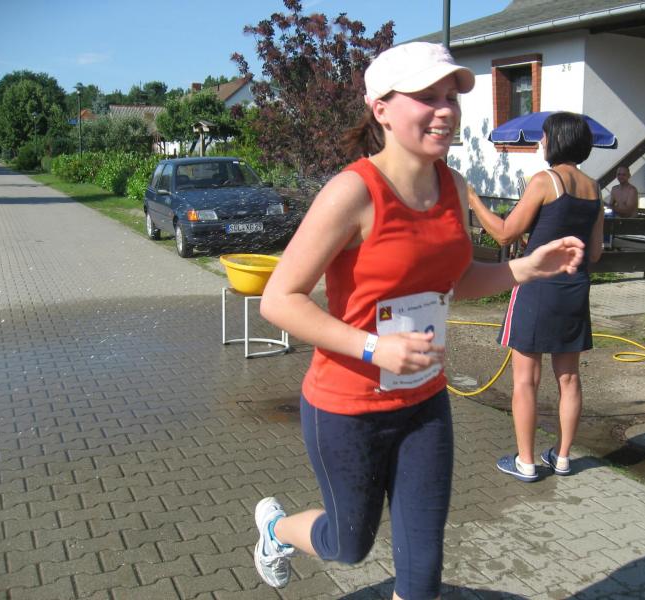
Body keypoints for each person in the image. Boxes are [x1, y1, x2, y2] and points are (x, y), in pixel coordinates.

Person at [253, 42, 585, 598]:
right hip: (347, 409)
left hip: (425, 403)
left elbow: (455, 280)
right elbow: (279, 299)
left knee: (422, 571)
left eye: (450, 96)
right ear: (381, 108)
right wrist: (372, 347)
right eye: (427, 97)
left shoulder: (453, 185)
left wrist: (525, 268)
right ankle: (275, 530)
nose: (445, 110)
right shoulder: (352, 192)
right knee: (348, 545)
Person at [467, 111, 604, 483]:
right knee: (569, 379)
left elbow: (505, 233)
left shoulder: (546, 180)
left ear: (557, 140)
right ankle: (562, 458)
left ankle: (526, 462)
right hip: (575, 289)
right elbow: (594, 253)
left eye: (544, 136)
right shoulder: (595, 189)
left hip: (537, 287)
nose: (541, 142)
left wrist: (472, 198)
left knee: (526, 379)